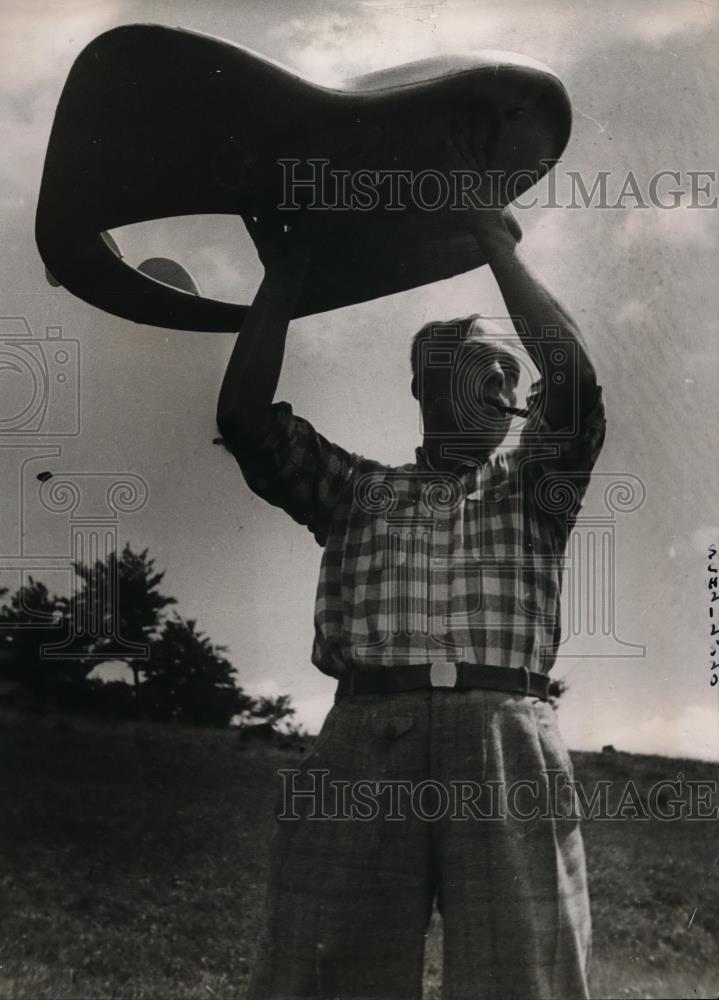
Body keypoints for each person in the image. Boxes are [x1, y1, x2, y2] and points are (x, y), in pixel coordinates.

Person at [216, 132, 606, 1000]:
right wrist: (288, 271)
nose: (498, 389)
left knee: (526, 982)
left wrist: (492, 241)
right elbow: (244, 418)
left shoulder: (536, 487)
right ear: (425, 391)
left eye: (508, 375)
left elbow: (575, 387)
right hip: (365, 743)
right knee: (317, 978)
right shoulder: (354, 489)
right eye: (470, 372)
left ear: (517, 407)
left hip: (506, 742)